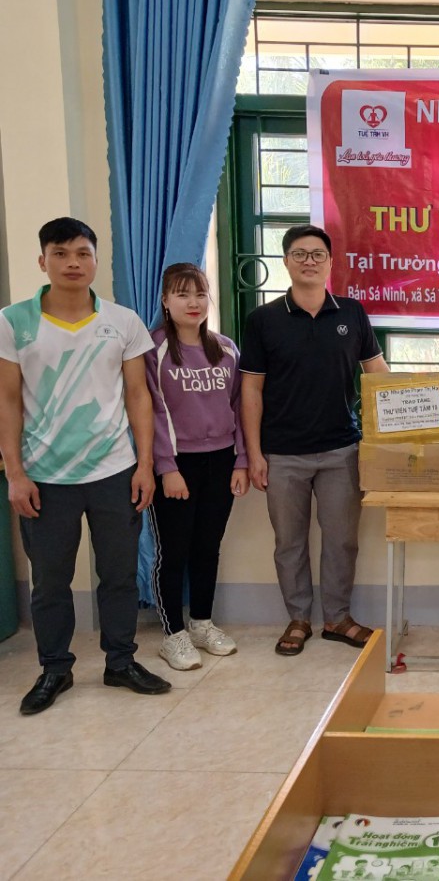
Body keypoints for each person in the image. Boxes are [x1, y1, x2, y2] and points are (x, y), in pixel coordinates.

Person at [0, 217, 171, 715]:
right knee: (50, 581)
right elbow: (7, 401)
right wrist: (15, 473)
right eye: (60, 253)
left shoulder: (123, 321)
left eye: (82, 253)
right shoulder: (13, 321)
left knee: (118, 575)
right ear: (43, 261)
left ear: (95, 261)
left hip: (115, 471)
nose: (72, 263)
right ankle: (55, 668)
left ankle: (121, 661)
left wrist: (145, 465)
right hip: (44, 476)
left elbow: (138, 396)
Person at [240, 224, 388, 656]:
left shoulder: (352, 313)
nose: (309, 261)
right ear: (286, 261)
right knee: (289, 542)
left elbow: (378, 375)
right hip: (282, 453)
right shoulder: (263, 320)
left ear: (330, 262)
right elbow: (251, 390)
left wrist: (425, 407)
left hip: (342, 449)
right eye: (300, 254)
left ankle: (338, 618)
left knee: (342, 540)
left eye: (317, 254)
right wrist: (254, 454)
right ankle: (299, 619)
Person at [144, 263, 248, 670]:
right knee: (173, 551)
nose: (193, 302)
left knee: (207, 547)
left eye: (200, 294)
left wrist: (241, 460)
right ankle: (173, 634)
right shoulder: (153, 350)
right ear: (166, 301)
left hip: (221, 460)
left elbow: (239, 407)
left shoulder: (226, 349)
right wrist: (166, 467)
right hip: (176, 464)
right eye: (182, 294)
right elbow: (152, 412)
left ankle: (202, 623)